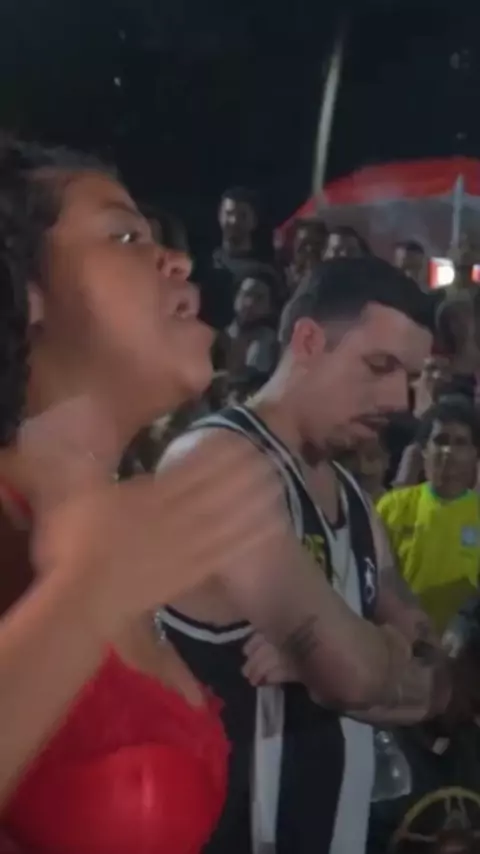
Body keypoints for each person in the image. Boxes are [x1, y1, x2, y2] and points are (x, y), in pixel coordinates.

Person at [0, 136, 282, 854]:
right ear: (23, 291)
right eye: (125, 236)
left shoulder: (126, 532)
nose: (177, 261)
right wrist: (86, 596)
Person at [157, 257, 460, 854]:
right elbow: (354, 675)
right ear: (309, 341)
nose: (399, 399)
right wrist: (368, 655)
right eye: (379, 366)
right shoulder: (218, 463)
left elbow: (440, 687)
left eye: (409, 377)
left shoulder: (354, 500)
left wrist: (346, 654)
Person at [378, 398, 480, 635]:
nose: (448, 452)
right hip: (402, 639)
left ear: (475, 453)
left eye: (460, 443)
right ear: (424, 450)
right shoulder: (392, 507)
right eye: (440, 441)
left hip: (464, 647)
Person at [226, 270, 279, 378]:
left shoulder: (271, 343)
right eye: (246, 294)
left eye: (259, 298)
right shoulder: (218, 336)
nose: (250, 303)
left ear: (270, 307)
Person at [286, 218, 327, 293]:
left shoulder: (329, 279)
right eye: (304, 244)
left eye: (316, 244)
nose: (309, 249)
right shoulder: (282, 277)